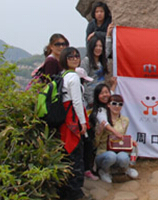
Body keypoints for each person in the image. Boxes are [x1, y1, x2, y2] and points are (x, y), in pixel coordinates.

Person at [58, 47, 89, 200]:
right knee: (75, 157)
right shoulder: (74, 77)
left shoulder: (62, 75)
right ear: (65, 59)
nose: (75, 59)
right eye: (70, 56)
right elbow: (77, 102)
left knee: (67, 156)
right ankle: (76, 193)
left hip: (64, 121)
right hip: (72, 121)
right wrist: (83, 123)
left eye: (77, 56)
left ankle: (65, 191)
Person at [94, 94, 138, 183]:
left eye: (120, 104)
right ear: (108, 105)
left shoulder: (125, 120)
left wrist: (130, 142)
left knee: (123, 157)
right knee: (111, 156)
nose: (117, 106)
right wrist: (98, 132)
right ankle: (104, 171)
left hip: (119, 150)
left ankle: (124, 169)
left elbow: (122, 137)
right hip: (103, 152)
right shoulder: (103, 120)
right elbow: (95, 142)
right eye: (114, 103)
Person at [80, 30, 116, 108]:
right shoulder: (86, 61)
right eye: (96, 46)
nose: (98, 48)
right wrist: (90, 99)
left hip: (102, 96)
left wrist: (108, 35)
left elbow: (108, 49)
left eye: (100, 46)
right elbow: (83, 81)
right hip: (91, 98)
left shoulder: (102, 61)